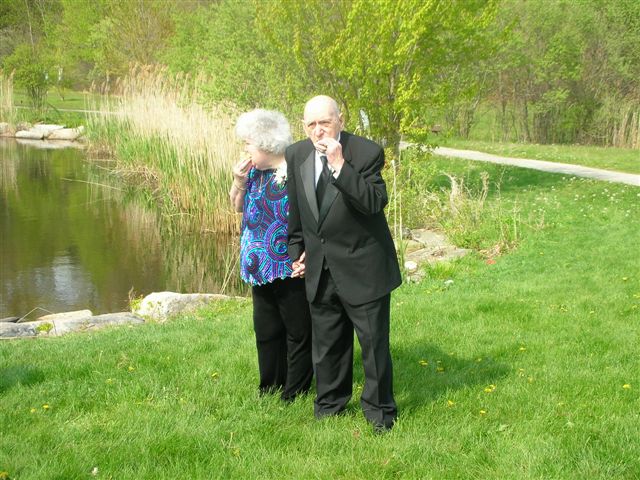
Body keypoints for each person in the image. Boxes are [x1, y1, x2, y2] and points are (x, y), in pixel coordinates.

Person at [286, 95, 402, 431]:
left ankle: (380, 413)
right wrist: (297, 252)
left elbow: (373, 202)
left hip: (363, 267)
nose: (318, 130)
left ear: (341, 120)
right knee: (327, 346)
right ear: (304, 126)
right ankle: (329, 406)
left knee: (373, 347)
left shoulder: (365, 152)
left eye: (325, 122)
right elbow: (298, 210)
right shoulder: (297, 154)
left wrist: (339, 165)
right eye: (311, 124)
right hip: (320, 269)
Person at [230, 108, 313, 402]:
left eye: (248, 144)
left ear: (266, 143)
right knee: (266, 331)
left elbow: (313, 217)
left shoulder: (296, 172)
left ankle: (295, 391)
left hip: (289, 266)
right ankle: (269, 387)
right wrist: (238, 182)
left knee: (298, 331)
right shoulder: (253, 173)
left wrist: (309, 253)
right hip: (258, 267)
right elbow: (237, 206)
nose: (245, 150)